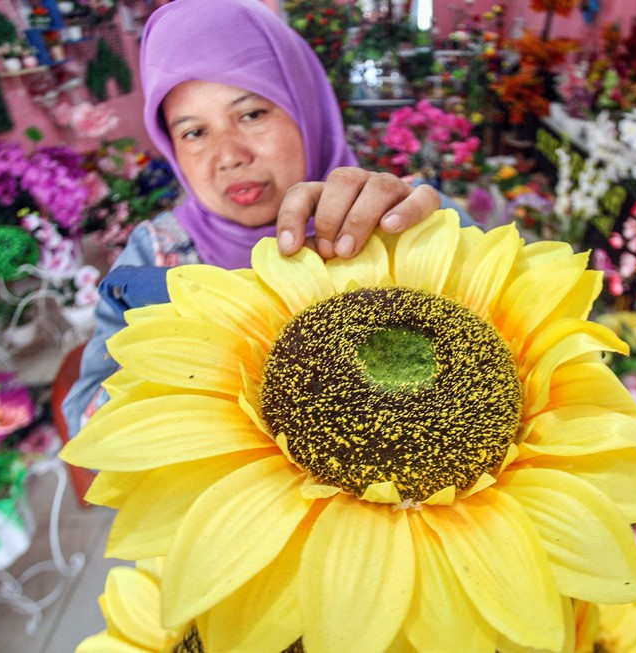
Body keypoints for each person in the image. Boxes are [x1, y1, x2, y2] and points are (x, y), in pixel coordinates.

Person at [62, 0, 471, 436]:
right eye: (195, 132)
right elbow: (88, 423)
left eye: (252, 114)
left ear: (304, 104)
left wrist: (432, 239)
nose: (230, 157)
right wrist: (190, 334)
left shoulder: (395, 217)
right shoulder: (155, 257)